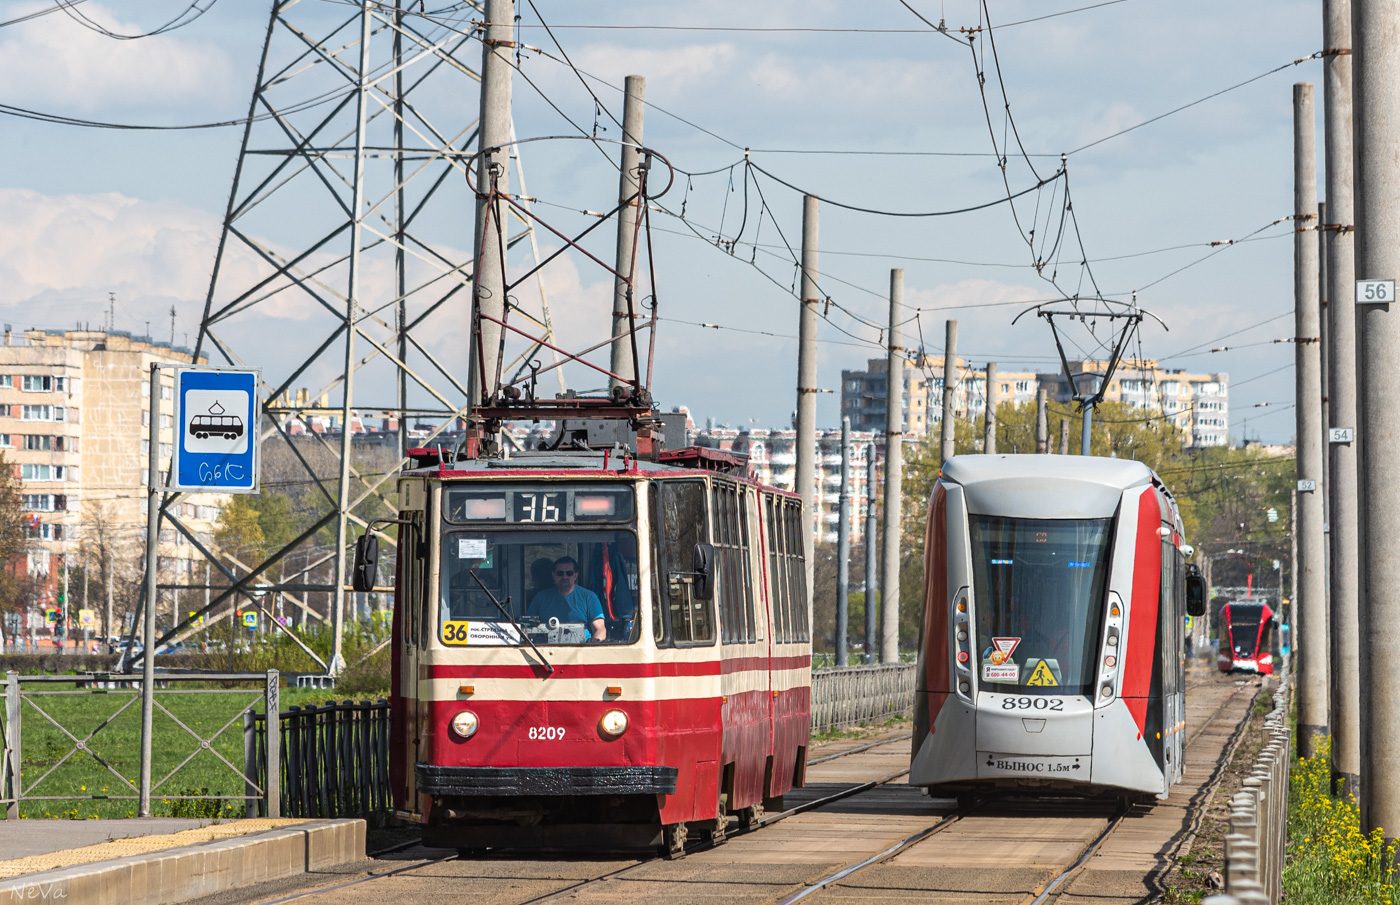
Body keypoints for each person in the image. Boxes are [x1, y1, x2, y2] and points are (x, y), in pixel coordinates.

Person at [527, 556, 606, 641]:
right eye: (560, 573)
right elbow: (527, 626)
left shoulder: (589, 597)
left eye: (569, 573)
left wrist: (593, 642)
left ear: (575, 575)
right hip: (546, 650)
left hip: (581, 650)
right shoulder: (540, 598)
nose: (564, 577)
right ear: (554, 575)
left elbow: (600, 630)